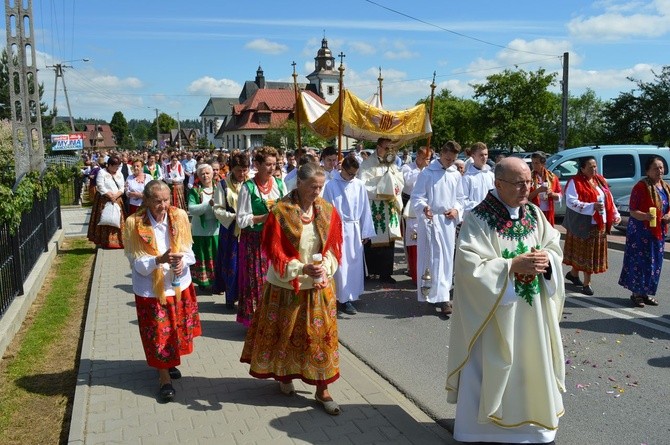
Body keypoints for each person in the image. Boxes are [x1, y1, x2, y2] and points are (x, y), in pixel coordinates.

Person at [446, 157, 565, 443]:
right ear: (498, 184)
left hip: (533, 314)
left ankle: (533, 429)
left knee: (531, 362)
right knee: (496, 365)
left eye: (529, 181)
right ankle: (481, 430)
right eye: (518, 183)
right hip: (495, 315)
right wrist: (511, 266)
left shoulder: (534, 214)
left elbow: (552, 245)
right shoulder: (478, 218)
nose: (526, 188)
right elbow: (469, 268)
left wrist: (547, 259)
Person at [240, 162, 343, 415]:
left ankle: (323, 389)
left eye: (320, 187)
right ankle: (285, 375)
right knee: (285, 336)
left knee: (320, 340)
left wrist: (325, 268)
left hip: (318, 287)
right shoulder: (280, 212)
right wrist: (301, 269)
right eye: (311, 187)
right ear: (299, 183)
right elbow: (276, 256)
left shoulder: (327, 211)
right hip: (287, 286)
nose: (316, 192)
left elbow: (333, 248)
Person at [123, 180, 201, 402]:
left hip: (177, 285)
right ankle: (164, 378)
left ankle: (170, 361)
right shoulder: (133, 223)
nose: (163, 205)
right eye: (157, 201)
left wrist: (182, 262)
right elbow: (135, 262)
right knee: (158, 333)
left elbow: (189, 250)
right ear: (146, 200)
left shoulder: (179, 217)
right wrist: (159, 260)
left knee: (175, 330)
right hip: (151, 290)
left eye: (166, 200)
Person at [236, 146, 287, 326]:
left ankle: (274, 321)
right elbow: (241, 220)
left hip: (275, 239)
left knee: (277, 279)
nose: (272, 168)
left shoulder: (280, 184)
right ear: (257, 165)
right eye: (268, 164)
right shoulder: (248, 187)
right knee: (257, 281)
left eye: (274, 164)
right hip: (254, 241)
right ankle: (256, 323)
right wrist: (264, 217)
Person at [411, 141, 463, 315]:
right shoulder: (427, 173)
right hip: (430, 221)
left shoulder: (455, 174)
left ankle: (444, 296)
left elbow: (460, 198)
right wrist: (424, 207)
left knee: (446, 259)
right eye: (448, 158)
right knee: (432, 259)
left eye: (453, 159)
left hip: (447, 222)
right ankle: (432, 294)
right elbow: (417, 197)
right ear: (442, 154)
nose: (449, 162)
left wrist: (456, 210)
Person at [323, 156, 375, 315]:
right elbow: (326, 210)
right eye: (350, 174)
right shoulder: (331, 185)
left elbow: (365, 208)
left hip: (354, 228)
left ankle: (351, 296)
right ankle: (340, 299)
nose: (353, 177)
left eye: (355, 174)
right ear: (342, 170)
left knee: (353, 264)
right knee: (340, 265)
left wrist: (366, 231)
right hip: (337, 228)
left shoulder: (359, 185)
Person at [563, 156, 621, 296]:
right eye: (590, 167)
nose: (594, 169)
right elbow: (571, 202)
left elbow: (609, 198)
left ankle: (573, 274)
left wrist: (615, 214)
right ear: (582, 169)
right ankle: (586, 283)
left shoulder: (599, 180)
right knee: (586, 255)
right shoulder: (575, 182)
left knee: (587, 254)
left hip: (600, 223)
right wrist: (591, 206)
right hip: (583, 224)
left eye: (595, 166)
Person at [618, 156, 670, 307]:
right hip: (641, 233)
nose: (659, 171)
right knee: (639, 263)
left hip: (658, 233)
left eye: (661, 167)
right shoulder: (640, 187)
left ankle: (646, 293)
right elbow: (633, 210)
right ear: (647, 171)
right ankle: (636, 293)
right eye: (655, 168)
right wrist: (646, 216)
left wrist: (667, 216)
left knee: (654, 264)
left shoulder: (665, 187)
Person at [358, 137, 404, 283]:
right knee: (372, 240)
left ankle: (385, 273)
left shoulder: (392, 164)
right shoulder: (367, 164)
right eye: (386, 148)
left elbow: (399, 181)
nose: (389, 151)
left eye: (391, 148)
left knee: (389, 241)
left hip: (388, 206)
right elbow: (364, 185)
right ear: (378, 147)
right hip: (375, 206)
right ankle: (371, 272)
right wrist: (383, 184)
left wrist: (392, 183)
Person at [212, 152, 249, 308]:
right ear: (232, 168)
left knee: (247, 264)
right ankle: (230, 296)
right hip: (230, 230)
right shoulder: (223, 185)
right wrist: (234, 216)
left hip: (248, 228)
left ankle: (246, 298)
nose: (242, 173)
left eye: (245, 169)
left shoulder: (250, 184)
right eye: (239, 170)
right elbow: (217, 209)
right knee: (231, 263)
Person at [401, 146, 432, 283]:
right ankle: (411, 267)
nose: (427, 161)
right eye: (425, 158)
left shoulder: (429, 170)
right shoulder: (408, 168)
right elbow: (408, 182)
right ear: (418, 157)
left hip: (425, 205)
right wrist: (423, 171)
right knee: (411, 239)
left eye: (429, 159)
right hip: (409, 205)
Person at [187, 164, 220, 293]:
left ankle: (217, 283)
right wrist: (208, 204)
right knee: (202, 255)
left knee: (216, 256)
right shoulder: (195, 191)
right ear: (198, 176)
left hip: (216, 230)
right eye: (202, 174)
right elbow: (192, 209)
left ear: (212, 174)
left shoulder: (219, 188)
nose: (205, 176)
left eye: (208, 173)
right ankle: (203, 282)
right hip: (200, 230)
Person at [87, 155, 125, 249]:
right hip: (104, 200)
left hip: (117, 199)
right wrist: (109, 195)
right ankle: (104, 241)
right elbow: (100, 186)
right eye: (115, 166)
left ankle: (118, 241)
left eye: (118, 166)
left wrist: (116, 195)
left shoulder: (119, 173)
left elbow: (122, 187)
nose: (116, 168)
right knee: (105, 218)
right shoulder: (102, 172)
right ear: (109, 165)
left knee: (117, 219)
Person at [459, 142, 495, 218]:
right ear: (473, 156)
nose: (484, 157)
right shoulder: (467, 177)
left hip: (490, 216)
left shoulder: (491, 175)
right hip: (473, 217)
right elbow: (463, 200)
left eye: (486, 154)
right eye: (481, 155)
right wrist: (480, 207)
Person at [528, 151, 562, 225]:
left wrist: (552, 194)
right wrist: (538, 191)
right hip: (534, 211)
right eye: (532, 163)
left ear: (543, 164)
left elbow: (559, 196)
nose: (533, 165)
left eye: (536, 163)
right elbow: (526, 197)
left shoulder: (552, 177)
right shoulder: (528, 177)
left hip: (548, 212)